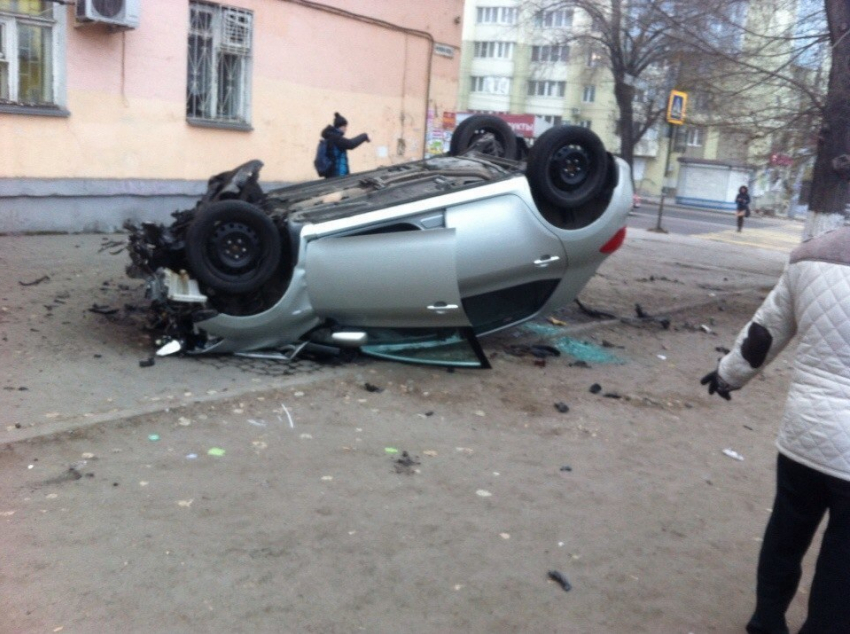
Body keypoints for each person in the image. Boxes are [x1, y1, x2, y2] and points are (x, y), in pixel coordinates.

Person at [700, 225, 850, 634]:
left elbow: (766, 330)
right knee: (844, 557)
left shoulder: (814, 253)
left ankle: (766, 618)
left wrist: (727, 375)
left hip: (805, 435)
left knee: (787, 528)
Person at [320, 112, 369, 178]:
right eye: (345, 126)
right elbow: (351, 144)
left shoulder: (329, 137)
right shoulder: (335, 138)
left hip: (331, 175)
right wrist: (364, 136)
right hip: (338, 175)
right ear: (341, 126)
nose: (346, 129)